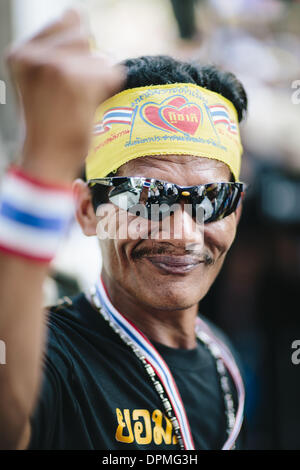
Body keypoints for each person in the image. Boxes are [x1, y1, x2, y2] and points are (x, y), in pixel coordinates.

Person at [0, 10, 247, 450]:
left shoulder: (221, 358)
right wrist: (42, 164)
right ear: (87, 210)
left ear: (237, 211)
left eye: (212, 199)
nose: (183, 234)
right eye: (148, 197)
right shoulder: (52, 358)